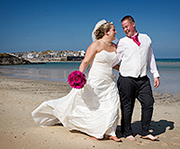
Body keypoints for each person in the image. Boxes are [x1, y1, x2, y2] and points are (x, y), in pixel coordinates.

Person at [31, 19, 121, 142]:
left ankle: (111, 132)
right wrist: (79, 76)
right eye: (113, 30)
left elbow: (114, 64)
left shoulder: (115, 47)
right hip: (96, 81)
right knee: (94, 106)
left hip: (109, 81)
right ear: (106, 32)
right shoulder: (96, 45)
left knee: (112, 104)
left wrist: (125, 70)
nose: (116, 32)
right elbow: (85, 62)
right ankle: (95, 130)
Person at [113, 15, 160, 141]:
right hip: (126, 79)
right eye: (123, 28)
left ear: (133, 24)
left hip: (143, 79)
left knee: (148, 103)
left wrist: (155, 74)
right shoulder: (122, 42)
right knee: (127, 106)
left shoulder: (146, 38)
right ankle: (126, 132)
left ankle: (144, 131)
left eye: (127, 26)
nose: (125, 29)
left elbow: (150, 57)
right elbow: (115, 60)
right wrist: (120, 69)